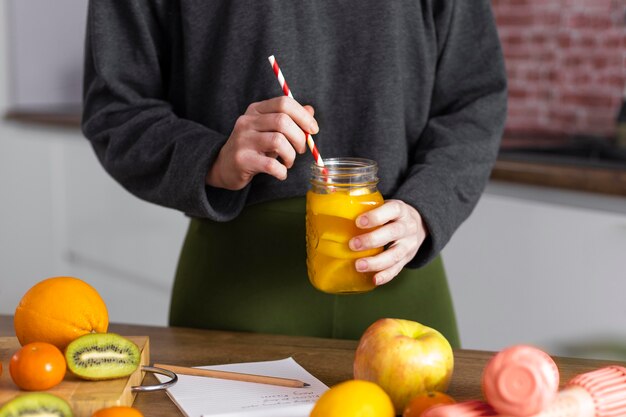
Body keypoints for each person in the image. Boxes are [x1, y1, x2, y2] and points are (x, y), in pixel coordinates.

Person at [82, 0, 507, 348]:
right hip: (237, 291)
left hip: (403, 283)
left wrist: (423, 209)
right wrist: (214, 157)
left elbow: (474, 101)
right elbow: (116, 108)